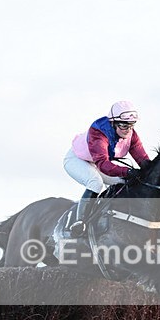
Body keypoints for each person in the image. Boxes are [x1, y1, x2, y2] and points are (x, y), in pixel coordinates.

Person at [63, 100, 151, 237]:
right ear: (112, 122)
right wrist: (127, 171)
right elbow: (103, 164)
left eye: (131, 125)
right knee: (95, 182)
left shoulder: (131, 134)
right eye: (123, 125)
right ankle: (80, 222)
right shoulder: (99, 132)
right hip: (77, 159)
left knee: (125, 183)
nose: (128, 130)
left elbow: (143, 160)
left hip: (96, 162)